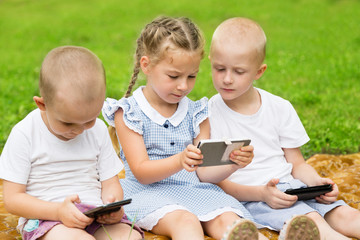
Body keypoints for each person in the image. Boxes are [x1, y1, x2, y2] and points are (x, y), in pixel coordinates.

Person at [102, 16, 268, 240]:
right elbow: (141, 172)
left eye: (192, 76)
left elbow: (204, 172)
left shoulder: (196, 113)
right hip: (148, 192)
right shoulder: (129, 112)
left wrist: (231, 163)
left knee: (229, 219)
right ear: (146, 65)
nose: (183, 86)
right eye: (173, 76)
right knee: (186, 220)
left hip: (194, 190)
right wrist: (179, 160)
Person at [208, 17, 360, 240]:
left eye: (239, 72)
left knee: (347, 215)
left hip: (292, 188)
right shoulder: (208, 114)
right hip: (254, 196)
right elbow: (212, 180)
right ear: (210, 61)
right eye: (219, 68)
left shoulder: (279, 107)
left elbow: (297, 163)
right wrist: (262, 193)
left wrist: (316, 183)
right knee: (313, 223)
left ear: (259, 71)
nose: (227, 79)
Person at [0, 46, 143, 240]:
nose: (79, 130)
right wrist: (58, 212)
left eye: (89, 120)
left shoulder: (98, 130)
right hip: (47, 219)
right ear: (42, 104)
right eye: (67, 122)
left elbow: (111, 183)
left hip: (94, 215)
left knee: (130, 237)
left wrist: (113, 205)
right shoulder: (25, 134)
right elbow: (13, 199)